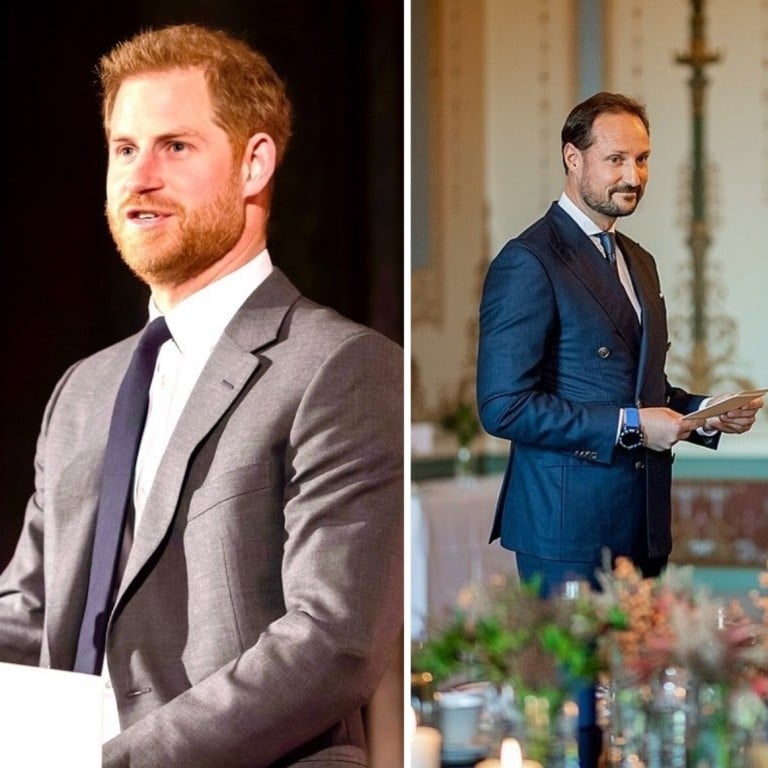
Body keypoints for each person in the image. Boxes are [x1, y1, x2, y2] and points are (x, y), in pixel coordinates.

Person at [0, 23, 403, 768]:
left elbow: (333, 640)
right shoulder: (82, 390)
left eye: (174, 147)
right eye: (124, 149)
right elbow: (28, 616)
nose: (138, 177)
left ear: (254, 166)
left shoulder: (341, 366)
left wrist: (109, 762)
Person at [476, 91, 762, 767]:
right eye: (615, 158)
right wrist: (635, 425)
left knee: (629, 712)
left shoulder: (638, 259)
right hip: (565, 528)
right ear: (572, 159)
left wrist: (707, 413)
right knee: (576, 726)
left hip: (637, 523)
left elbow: (643, 394)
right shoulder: (529, 260)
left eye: (642, 158)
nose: (632, 174)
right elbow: (504, 407)